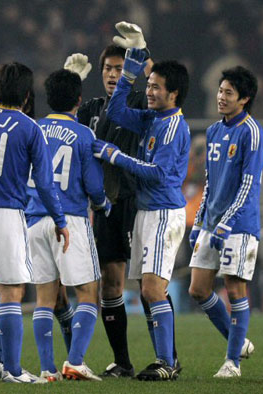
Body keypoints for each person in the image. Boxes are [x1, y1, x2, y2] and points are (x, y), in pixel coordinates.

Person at [66, 22, 180, 378]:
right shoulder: (93, 110)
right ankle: (124, 361)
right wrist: (68, 81)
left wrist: (140, 55)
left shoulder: (136, 103)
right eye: (108, 69)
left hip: (140, 201)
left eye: (120, 68)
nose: (114, 74)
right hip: (108, 206)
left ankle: (168, 356)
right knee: (111, 282)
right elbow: (65, 124)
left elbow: (157, 82)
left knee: (151, 285)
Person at [0, 62, 69, 384]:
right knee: (12, 291)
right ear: (26, 93)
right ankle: (12, 370)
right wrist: (60, 221)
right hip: (6, 214)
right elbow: (46, 184)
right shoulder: (29, 126)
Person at [93, 47, 190, 381]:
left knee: (151, 289)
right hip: (145, 213)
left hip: (163, 213)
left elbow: (159, 174)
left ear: (173, 93)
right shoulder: (152, 117)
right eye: (147, 85)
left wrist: (117, 157)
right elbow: (117, 112)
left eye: (156, 87)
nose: (149, 92)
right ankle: (163, 360)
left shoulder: (173, 126)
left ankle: (167, 360)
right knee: (145, 287)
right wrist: (128, 78)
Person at [28, 69, 110, 382]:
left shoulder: (34, 129)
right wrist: (103, 204)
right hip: (70, 220)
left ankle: (47, 369)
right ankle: (75, 361)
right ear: (78, 100)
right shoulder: (83, 134)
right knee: (89, 292)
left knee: (44, 299)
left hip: (35, 219)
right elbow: (93, 185)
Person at [188, 66, 263, 378]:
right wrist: (200, 222)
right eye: (220, 91)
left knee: (235, 289)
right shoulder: (214, 131)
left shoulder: (252, 132)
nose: (221, 97)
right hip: (210, 223)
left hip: (240, 225)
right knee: (198, 289)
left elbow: (249, 184)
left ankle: (232, 362)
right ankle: (239, 342)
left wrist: (227, 223)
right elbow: (210, 181)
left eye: (228, 93)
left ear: (244, 99)